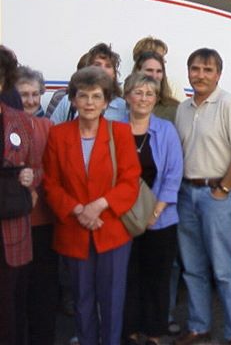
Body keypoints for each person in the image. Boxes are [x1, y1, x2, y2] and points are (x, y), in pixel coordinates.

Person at [43, 66, 141, 345]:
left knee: (111, 300)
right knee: (82, 299)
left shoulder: (120, 132)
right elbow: (50, 183)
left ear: (106, 101)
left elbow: (130, 180)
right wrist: (78, 210)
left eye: (96, 96)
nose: (89, 103)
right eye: (83, 96)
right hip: (74, 229)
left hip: (111, 228)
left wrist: (97, 206)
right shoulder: (58, 135)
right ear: (72, 100)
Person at [174, 48, 231, 345]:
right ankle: (199, 326)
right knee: (193, 268)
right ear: (188, 72)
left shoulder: (229, 104)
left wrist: (223, 189)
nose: (201, 75)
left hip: (215, 194)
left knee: (224, 268)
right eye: (195, 69)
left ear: (218, 74)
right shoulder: (183, 109)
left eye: (208, 70)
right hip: (186, 194)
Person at [122, 73, 183, 345]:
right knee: (128, 275)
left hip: (161, 218)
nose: (144, 98)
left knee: (157, 277)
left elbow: (173, 175)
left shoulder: (166, 130)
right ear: (127, 97)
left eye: (149, 94)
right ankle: (130, 330)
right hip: (122, 217)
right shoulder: (114, 129)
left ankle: (155, 332)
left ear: (156, 99)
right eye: (138, 92)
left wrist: (153, 213)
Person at [14, 65, 59, 345]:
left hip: (45, 221)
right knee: (17, 291)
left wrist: (36, 178)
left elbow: (56, 170)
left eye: (35, 94)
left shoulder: (49, 127)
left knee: (44, 290)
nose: (31, 100)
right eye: (23, 95)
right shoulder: (7, 127)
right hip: (15, 222)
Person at [0, 46, 39, 345]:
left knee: (9, 308)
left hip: (11, 230)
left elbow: (37, 169)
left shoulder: (20, 120)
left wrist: (30, 177)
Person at [50, 43, 128, 124]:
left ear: (114, 74)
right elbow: (54, 131)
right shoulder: (67, 101)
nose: (102, 70)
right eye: (97, 65)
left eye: (108, 66)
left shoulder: (123, 107)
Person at [133, 51, 180, 122]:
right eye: (149, 70)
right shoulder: (124, 104)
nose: (154, 76)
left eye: (159, 71)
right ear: (137, 71)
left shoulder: (175, 108)